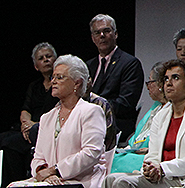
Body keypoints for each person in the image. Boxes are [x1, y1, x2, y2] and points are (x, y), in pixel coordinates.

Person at [103, 59, 185, 188]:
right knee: (109, 179)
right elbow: (153, 154)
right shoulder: (161, 115)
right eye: (165, 79)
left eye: (175, 78)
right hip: (161, 176)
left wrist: (163, 168)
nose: (169, 83)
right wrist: (151, 168)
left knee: (122, 183)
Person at [19, 55, 107, 188]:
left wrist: (56, 170)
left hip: (82, 181)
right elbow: (38, 157)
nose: (53, 81)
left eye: (59, 77)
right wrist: (46, 173)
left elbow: (91, 152)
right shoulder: (46, 118)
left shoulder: (91, 112)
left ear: (77, 83)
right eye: (53, 77)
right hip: (50, 180)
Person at [0, 43, 60, 186]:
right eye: (41, 58)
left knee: (12, 142)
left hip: (49, 127)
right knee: (5, 140)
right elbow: (25, 109)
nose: (46, 60)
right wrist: (26, 125)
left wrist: (35, 126)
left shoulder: (60, 83)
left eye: (49, 56)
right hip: (31, 129)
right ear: (36, 66)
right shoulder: (34, 86)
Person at [87, 14, 145, 142]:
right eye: (97, 33)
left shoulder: (130, 63)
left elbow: (125, 104)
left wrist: (94, 106)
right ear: (93, 38)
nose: (102, 35)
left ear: (116, 34)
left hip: (113, 127)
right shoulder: (88, 65)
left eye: (106, 31)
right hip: (87, 124)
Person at [109, 62, 168, 174]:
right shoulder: (156, 107)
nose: (148, 87)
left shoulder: (172, 108)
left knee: (112, 162)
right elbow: (135, 139)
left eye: (150, 82)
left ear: (160, 84)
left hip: (153, 158)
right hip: (137, 152)